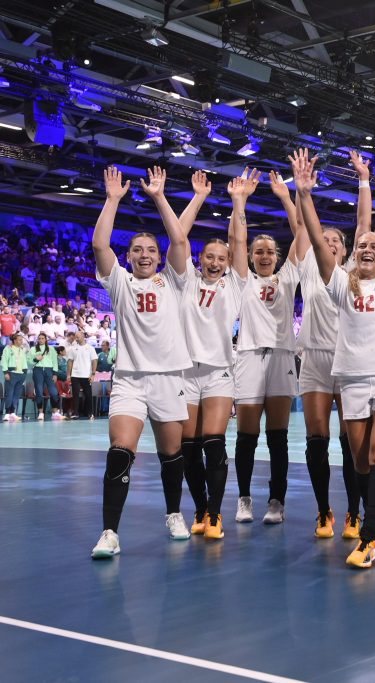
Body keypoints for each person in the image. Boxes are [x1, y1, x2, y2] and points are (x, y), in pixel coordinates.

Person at [293, 151, 375, 569]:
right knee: (362, 459)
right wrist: (305, 195)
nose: (367, 247)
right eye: (361, 244)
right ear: (353, 256)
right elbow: (316, 243)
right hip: (350, 379)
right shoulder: (338, 284)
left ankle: (370, 535)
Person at [91, 166, 193, 559]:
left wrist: (159, 197)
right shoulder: (119, 283)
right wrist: (113, 199)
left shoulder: (175, 280)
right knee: (121, 449)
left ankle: (173, 513)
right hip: (130, 380)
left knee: (172, 454)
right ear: (129, 256)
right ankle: (109, 533)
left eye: (151, 250)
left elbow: (180, 239)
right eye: (138, 250)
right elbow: (101, 246)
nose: (145, 255)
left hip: (169, 378)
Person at [160, 169, 248, 540]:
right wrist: (197, 197)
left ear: (227, 263)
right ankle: (198, 507)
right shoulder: (184, 281)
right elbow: (177, 237)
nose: (215, 262)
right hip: (185, 373)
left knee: (214, 441)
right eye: (209, 256)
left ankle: (215, 515)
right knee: (188, 447)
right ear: (201, 258)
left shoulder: (236, 285)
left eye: (221, 258)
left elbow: (239, 240)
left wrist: (238, 201)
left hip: (218, 373)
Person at [291, 151, 374, 540]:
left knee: (352, 441)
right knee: (317, 440)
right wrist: (300, 193)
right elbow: (303, 226)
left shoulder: (354, 275)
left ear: (344, 249)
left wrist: (363, 180)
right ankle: (324, 510)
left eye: (335, 240)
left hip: (350, 361)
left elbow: (363, 226)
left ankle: (354, 513)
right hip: (315, 360)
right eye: (323, 239)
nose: (329, 243)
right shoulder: (310, 268)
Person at [232, 166, 302, 526]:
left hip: (281, 358)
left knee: (278, 436)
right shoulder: (241, 279)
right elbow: (236, 242)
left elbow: (302, 232)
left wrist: (287, 198)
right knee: (247, 436)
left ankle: (277, 500)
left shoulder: (288, 277)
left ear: (277, 255)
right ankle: (244, 498)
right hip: (247, 357)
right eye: (258, 251)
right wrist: (239, 202)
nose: (263, 255)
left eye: (269, 251)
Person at [30, 332, 62, 420]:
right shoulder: (33, 349)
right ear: (37, 340)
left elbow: (55, 362)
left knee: (54, 392)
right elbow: (29, 361)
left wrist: (55, 374)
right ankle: (41, 413)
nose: (41, 340)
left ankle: (55, 412)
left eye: (42, 338)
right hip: (38, 370)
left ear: (46, 339)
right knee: (39, 392)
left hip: (49, 370)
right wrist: (35, 359)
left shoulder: (51, 349)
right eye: (39, 338)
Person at [67, 331, 97, 420]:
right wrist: (69, 374)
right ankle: (75, 413)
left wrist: (93, 374)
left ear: (83, 336)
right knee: (75, 395)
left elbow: (94, 361)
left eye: (78, 337)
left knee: (88, 394)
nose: (76, 338)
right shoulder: (73, 348)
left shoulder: (90, 348)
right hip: (75, 375)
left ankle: (90, 413)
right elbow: (70, 361)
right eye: (75, 337)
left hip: (86, 375)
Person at [2, 332, 28, 421]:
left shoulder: (22, 349)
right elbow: (4, 361)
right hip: (11, 373)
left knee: (16, 395)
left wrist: (25, 372)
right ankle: (7, 413)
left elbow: (25, 361)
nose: (22, 341)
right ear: (14, 340)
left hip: (21, 374)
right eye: (20, 340)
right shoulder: (8, 348)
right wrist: (5, 372)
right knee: (9, 394)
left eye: (22, 340)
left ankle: (13, 413)